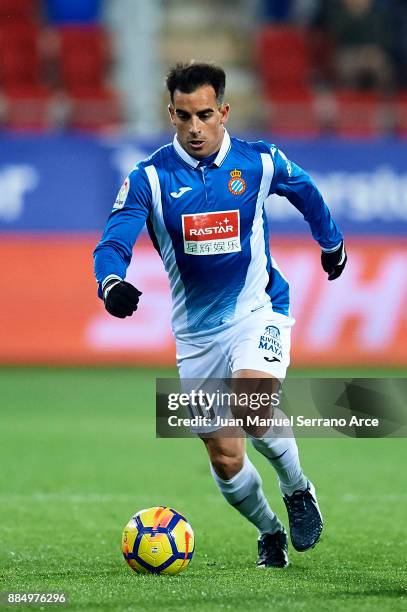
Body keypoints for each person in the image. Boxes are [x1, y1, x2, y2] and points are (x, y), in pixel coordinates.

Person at [93, 62, 347, 568]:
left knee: (253, 408)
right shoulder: (150, 177)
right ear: (170, 115)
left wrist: (331, 242)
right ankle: (269, 531)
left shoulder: (257, 162)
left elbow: (306, 190)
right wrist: (111, 282)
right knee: (225, 458)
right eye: (183, 116)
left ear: (224, 112)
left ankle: (297, 488)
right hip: (196, 336)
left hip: (259, 310)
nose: (194, 128)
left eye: (204, 114)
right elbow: (114, 238)